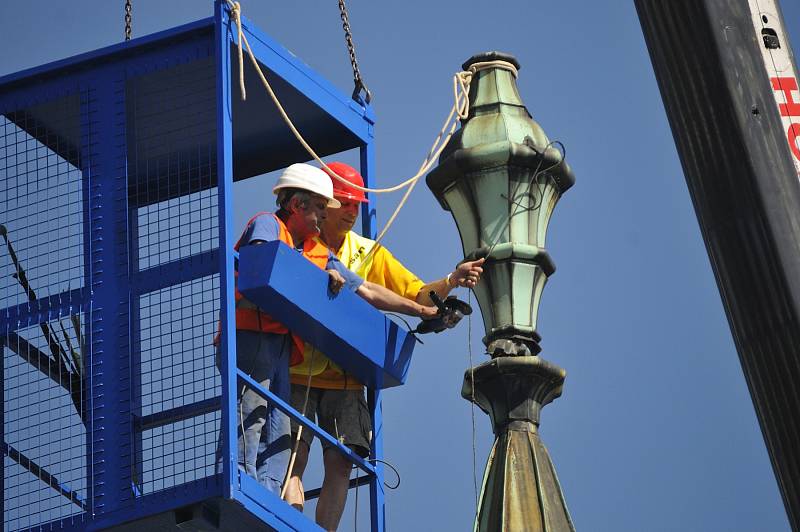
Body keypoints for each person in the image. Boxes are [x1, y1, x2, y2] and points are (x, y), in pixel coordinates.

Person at [285, 162, 484, 530]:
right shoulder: (299, 241)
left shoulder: (365, 253)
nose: (351, 212)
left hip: (344, 375)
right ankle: (285, 521)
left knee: (343, 461)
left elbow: (416, 291)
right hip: (297, 367)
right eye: (343, 203)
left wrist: (452, 280)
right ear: (323, 202)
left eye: (356, 205)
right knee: (292, 454)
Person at [220, 163, 438, 496]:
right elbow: (264, 260)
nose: (325, 216)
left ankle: (265, 491)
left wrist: (418, 308)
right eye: (320, 208)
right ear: (297, 206)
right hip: (250, 334)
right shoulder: (268, 223)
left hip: (281, 346)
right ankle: (240, 481)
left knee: (279, 425)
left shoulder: (319, 252)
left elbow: (365, 290)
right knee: (251, 412)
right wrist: (319, 276)